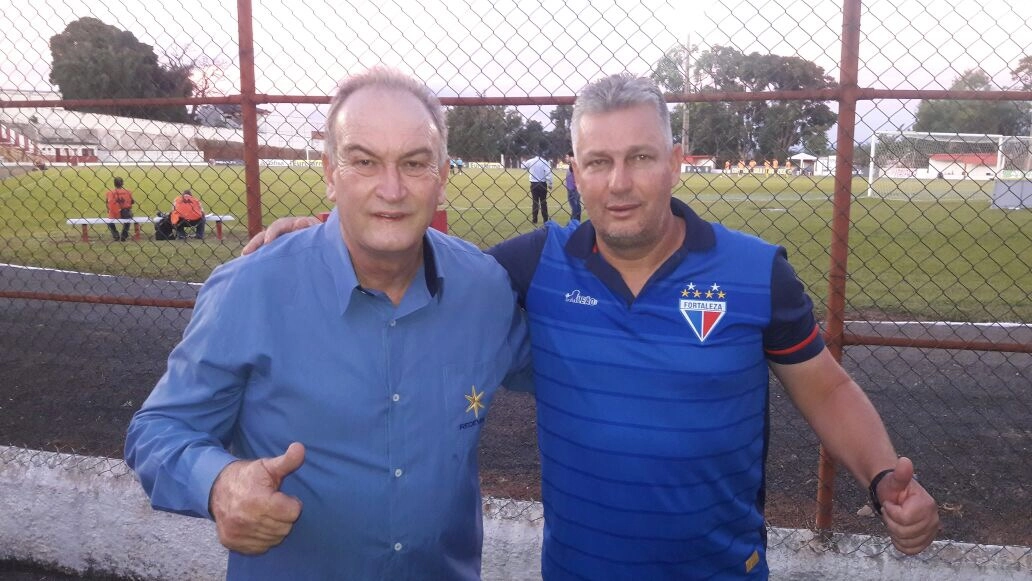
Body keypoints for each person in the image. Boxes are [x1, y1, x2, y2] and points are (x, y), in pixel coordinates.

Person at [243, 73, 940, 580]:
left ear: (674, 160)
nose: (621, 182)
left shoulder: (757, 273)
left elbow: (826, 387)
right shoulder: (534, 263)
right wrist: (331, 234)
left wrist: (884, 480)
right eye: (600, 162)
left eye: (640, 157)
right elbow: (418, 267)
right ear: (575, 172)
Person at [124, 67, 531, 580]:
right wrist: (219, 483)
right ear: (329, 173)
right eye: (364, 162)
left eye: (414, 163)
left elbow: (571, 358)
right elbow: (157, 431)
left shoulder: (485, 291)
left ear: (442, 176)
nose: (392, 188)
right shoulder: (253, 288)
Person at [521, 151, 553, 224]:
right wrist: (550, 183)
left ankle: (534, 219)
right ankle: (545, 219)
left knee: (535, 202)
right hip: (542, 183)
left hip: (533, 183)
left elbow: (523, 167)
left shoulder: (531, 161)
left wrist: (523, 161)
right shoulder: (544, 162)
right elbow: (548, 173)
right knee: (543, 202)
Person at [105, 177, 134, 242]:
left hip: (114, 214)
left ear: (114, 184)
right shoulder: (128, 192)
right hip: (125, 213)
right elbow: (132, 201)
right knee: (129, 218)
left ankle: (115, 234)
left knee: (109, 221)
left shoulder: (110, 192)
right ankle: (124, 234)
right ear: (122, 183)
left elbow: (107, 203)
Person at [563, 150, 581, 223]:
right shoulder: (575, 165)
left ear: (571, 157)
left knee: (574, 205)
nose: (566, 158)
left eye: (567, 157)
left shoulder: (573, 165)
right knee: (577, 204)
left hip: (573, 189)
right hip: (574, 188)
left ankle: (573, 220)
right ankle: (577, 220)